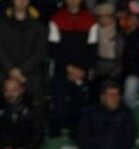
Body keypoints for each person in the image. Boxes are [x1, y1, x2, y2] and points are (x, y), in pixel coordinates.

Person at [72, 81, 139, 149]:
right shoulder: (89, 112)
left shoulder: (126, 113)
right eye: (111, 95)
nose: (115, 99)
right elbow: (82, 137)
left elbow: (130, 138)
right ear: (102, 97)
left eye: (117, 95)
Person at [47, 0, 97, 135]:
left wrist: (81, 70)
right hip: (61, 70)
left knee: (80, 105)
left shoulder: (90, 20)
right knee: (58, 102)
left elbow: (92, 49)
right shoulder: (56, 19)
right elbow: (53, 48)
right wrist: (69, 68)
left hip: (82, 71)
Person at [0, 0, 47, 109]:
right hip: (4, 71)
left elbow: (40, 51)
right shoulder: (2, 24)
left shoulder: (38, 25)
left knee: (38, 91)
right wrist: (10, 69)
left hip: (29, 73)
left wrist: (22, 71)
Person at [0, 77, 43, 149]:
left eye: (14, 90)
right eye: (7, 91)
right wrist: (4, 148)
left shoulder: (32, 111)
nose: (10, 94)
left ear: (21, 90)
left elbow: (38, 135)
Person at [91, 3, 124, 97]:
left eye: (107, 16)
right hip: (97, 68)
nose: (103, 19)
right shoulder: (93, 32)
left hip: (116, 68)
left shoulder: (120, 33)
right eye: (100, 16)